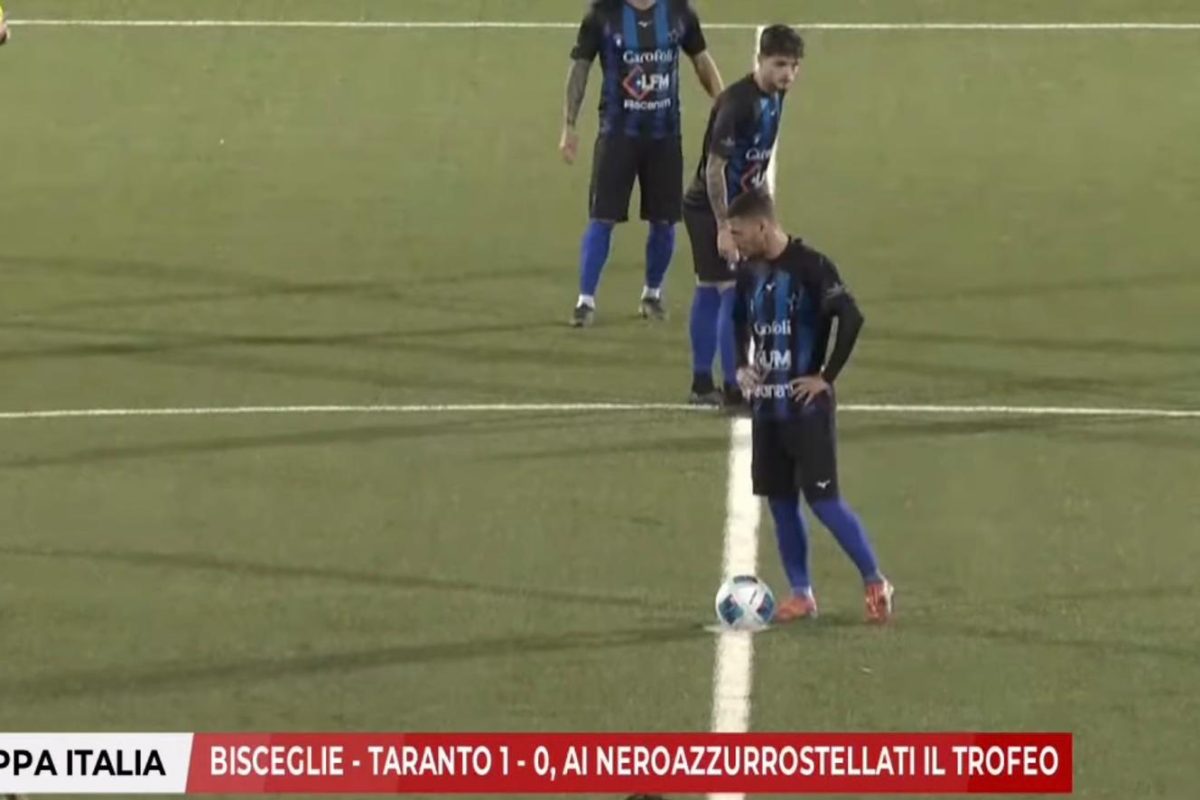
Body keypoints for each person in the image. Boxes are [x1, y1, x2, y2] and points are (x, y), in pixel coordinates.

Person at [727, 190, 894, 623]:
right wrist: (743, 366)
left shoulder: (811, 267)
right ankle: (801, 594)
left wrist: (826, 377)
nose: (733, 242)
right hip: (767, 411)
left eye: (738, 233)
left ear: (762, 226)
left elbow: (851, 317)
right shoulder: (748, 272)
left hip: (806, 410)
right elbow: (737, 319)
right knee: (781, 502)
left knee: (823, 501)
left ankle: (875, 580)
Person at [560, 0, 723, 327]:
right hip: (617, 136)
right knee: (602, 217)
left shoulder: (678, 11)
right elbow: (580, 68)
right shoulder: (603, 13)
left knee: (664, 221)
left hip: (665, 137)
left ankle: (652, 293)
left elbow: (701, 59)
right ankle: (585, 300)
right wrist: (569, 124)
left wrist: (724, 106)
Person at [682, 24, 802, 407]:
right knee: (728, 291)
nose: (788, 74)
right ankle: (731, 387)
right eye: (780, 64)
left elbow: (755, 161)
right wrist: (723, 227)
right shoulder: (737, 104)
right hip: (711, 208)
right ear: (760, 60)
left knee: (713, 289)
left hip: (740, 208)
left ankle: (704, 383)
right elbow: (714, 169)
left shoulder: (776, 95)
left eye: (794, 66)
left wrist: (764, 211)